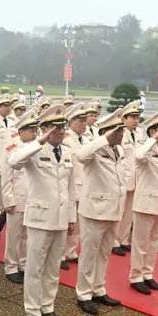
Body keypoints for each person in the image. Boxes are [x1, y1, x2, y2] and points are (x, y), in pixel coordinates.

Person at [8, 104, 76, 316]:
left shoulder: (67, 152)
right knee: (34, 267)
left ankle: (48, 307)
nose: (61, 131)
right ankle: (33, 311)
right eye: (55, 127)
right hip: (39, 218)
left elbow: (70, 189)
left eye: (63, 127)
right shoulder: (33, 150)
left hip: (60, 217)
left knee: (53, 267)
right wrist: (39, 141)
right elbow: (13, 161)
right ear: (44, 129)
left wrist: (71, 217)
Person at [74, 109, 126, 315]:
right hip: (94, 211)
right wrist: (103, 139)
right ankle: (84, 294)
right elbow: (81, 155)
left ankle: (98, 289)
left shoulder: (118, 150)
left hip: (113, 210)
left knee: (104, 253)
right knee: (89, 254)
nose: (121, 134)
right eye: (118, 131)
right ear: (107, 132)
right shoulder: (94, 149)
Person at [129, 109, 158, 295]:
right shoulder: (144, 148)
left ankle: (148, 274)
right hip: (145, 204)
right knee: (140, 243)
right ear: (153, 131)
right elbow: (138, 156)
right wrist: (153, 138)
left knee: (154, 242)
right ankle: (136, 276)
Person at [1, 109, 37, 283]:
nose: (35, 133)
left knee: (27, 235)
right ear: (21, 131)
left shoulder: (36, 147)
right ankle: (11, 267)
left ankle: (23, 264)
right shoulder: (12, 147)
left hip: (32, 198)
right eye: (31, 130)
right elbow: (6, 176)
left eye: (36, 130)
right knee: (14, 235)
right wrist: (8, 200)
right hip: (17, 197)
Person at [113, 101, 143, 256]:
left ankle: (124, 239)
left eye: (138, 117)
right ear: (124, 118)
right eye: (133, 117)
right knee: (119, 211)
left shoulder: (139, 134)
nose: (136, 120)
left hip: (136, 178)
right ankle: (114, 241)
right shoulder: (119, 134)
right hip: (123, 178)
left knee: (129, 212)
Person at [61, 103, 88, 269]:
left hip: (83, 186)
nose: (85, 123)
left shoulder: (85, 139)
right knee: (66, 222)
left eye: (85, 120)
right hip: (71, 186)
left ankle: (71, 252)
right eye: (81, 120)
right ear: (71, 122)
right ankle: (60, 255)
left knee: (76, 224)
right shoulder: (66, 140)